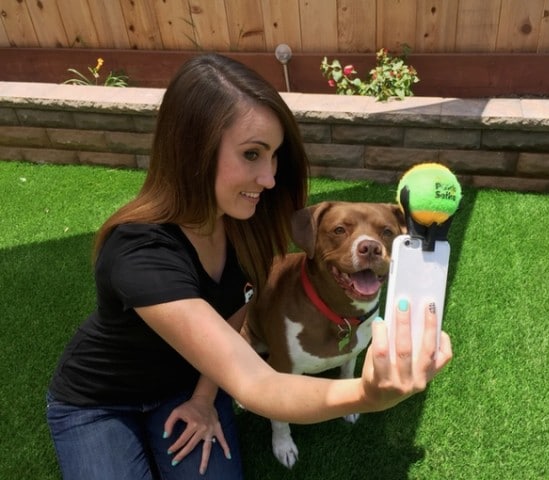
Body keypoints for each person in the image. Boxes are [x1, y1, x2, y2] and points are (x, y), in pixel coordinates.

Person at [46, 53, 452, 480]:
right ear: (192, 151)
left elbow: (234, 313)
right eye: (252, 154)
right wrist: (367, 395)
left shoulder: (244, 227)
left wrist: (204, 398)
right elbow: (259, 384)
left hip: (193, 380)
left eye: (273, 156)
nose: (270, 178)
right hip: (102, 400)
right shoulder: (138, 251)